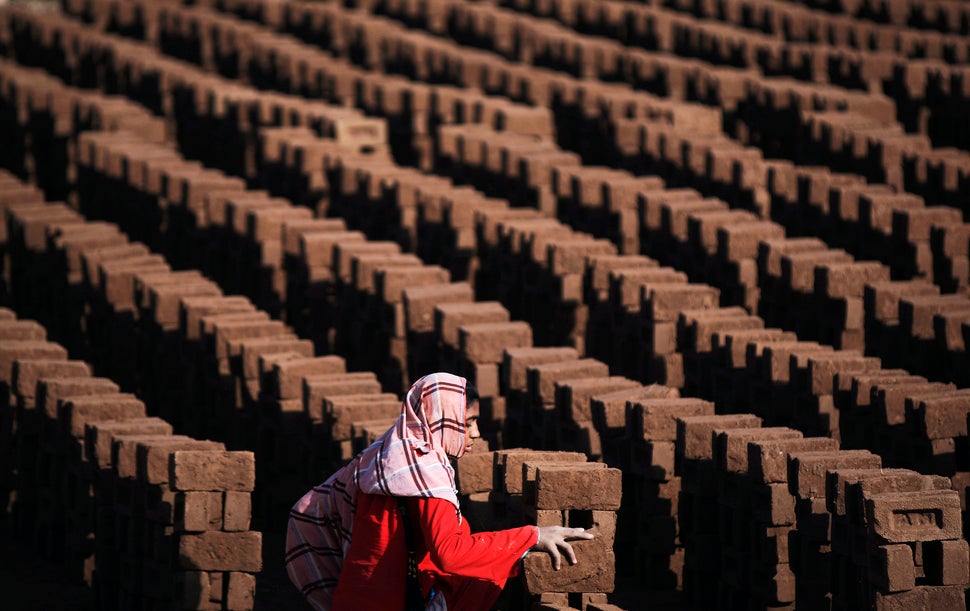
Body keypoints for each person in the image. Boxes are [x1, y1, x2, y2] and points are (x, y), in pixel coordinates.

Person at [285, 372, 594, 611]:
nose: (476, 433)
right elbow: (450, 554)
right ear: (440, 419)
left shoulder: (393, 451)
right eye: (468, 422)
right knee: (483, 573)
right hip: (388, 597)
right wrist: (533, 536)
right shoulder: (426, 472)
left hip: (362, 591)